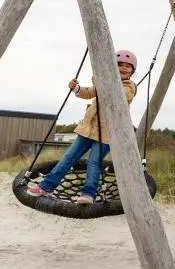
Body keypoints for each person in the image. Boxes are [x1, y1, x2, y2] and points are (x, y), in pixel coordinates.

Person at [28, 50, 138, 205]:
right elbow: (88, 93)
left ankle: (88, 193)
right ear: (113, 66)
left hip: (106, 134)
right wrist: (76, 88)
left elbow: (120, 96)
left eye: (128, 66)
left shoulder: (129, 86)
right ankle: (47, 186)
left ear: (132, 71)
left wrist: (101, 81)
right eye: (120, 65)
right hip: (87, 129)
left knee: (93, 162)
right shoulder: (104, 83)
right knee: (69, 157)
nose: (124, 68)